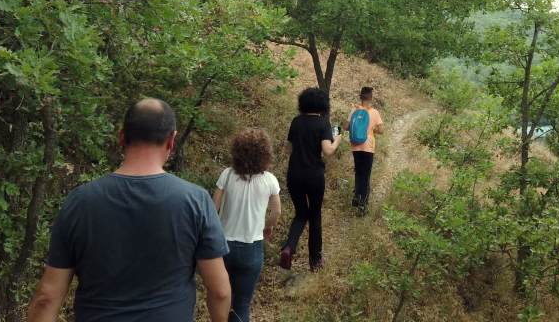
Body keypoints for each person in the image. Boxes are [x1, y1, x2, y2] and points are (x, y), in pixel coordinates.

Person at [28, 98, 231, 322]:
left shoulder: (80, 201)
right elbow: (219, 291)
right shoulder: (196, 200)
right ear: (171, 140)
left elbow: (46, 298)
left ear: (122, 136)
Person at [212, 128, 282, 322]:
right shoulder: (269, 180)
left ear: (238, 151)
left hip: (222, 245)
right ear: (265, 153)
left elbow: (213, 208)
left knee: (221, 299)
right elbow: (277, 211)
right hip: (251, 247)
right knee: (241, 306)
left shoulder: (226, 175)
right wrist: (267, 226)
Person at [279, 87, 341, 271]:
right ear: (322, 104)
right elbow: (328, 151)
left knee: (300, 213)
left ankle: (289, 247)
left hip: (294, 175)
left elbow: (289, 149)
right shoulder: (322, 124)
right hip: (314, 176)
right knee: (314, 215)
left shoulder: (296, 122)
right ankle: (315, 260)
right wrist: (337, 140)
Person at [343, 87, 384, 216]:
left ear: (360, 97)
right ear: (371, 99)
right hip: (368, 147)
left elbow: (346, 127)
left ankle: (356, 196)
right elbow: (381, 130)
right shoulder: (374, 112)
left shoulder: (354, 110)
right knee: (366, 175)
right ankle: (363, 205)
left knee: (358, 171)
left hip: (356, 146)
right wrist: (373, 131)